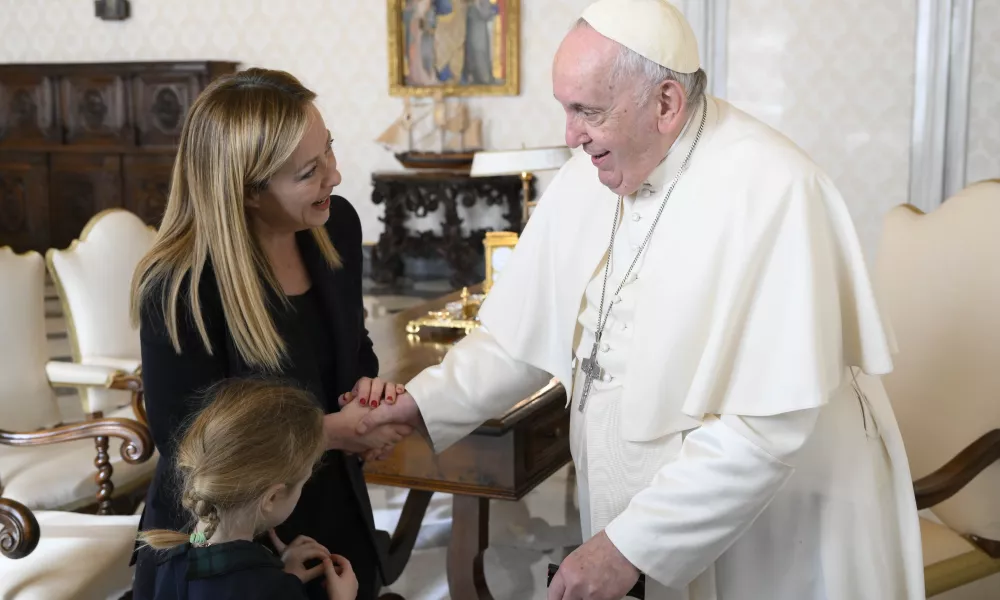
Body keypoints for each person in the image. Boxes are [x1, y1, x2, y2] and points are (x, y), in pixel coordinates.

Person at [346, 1, 926, 598]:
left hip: (780, 514)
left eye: (586, 111)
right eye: (564, 108)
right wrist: (420, 403)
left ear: (667, 104)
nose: (569, 136)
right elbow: (518, 336)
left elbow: (766, 426)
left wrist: (633, 545)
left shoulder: (776, 190)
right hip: (638, 491)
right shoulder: (591, 172)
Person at [130, 67, 410, 600]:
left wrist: (367, 392)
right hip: (224, 553)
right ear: (248, 192)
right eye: (309, 171)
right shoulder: (179, 285)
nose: (336, 175)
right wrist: (331, 432)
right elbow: (189, 444)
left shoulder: (336, 226)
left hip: (332, 509)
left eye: (329, 149)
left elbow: (353, 348)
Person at [141, 379, 358, 600]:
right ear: (272, 497)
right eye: (304, 481)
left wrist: (286, 576)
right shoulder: (273, 590)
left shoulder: (173, 560)